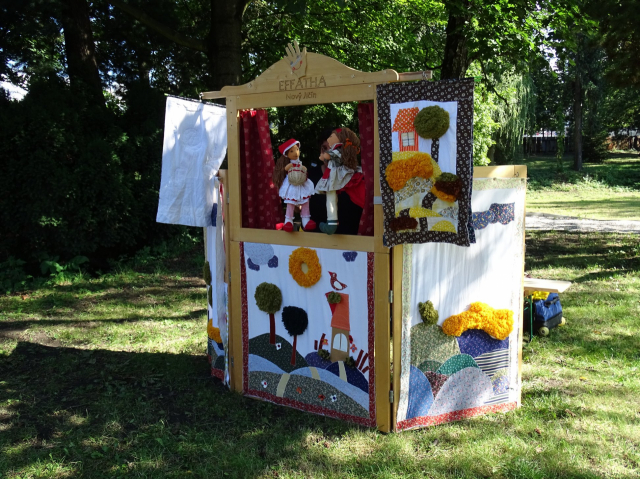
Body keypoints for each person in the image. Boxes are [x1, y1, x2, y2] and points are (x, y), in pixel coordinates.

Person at [314, 128, 364, 235]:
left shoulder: (356, 178)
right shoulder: (310, 176)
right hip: (315, 240)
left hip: (353, 241)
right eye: (324, 148)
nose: (328, 151)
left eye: (332, 147)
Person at [272, 139, 316, 232]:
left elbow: (303, 169)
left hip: (301, 185)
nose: (296, 152)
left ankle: (306, 220)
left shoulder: (299, 163)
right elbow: (286, 168)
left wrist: (303, 170)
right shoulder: (290, 164)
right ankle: (288, 221)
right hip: (292, 186)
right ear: (287, 154)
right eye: (292, 151)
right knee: (290, 203)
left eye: (297, 149)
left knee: (305, 201)